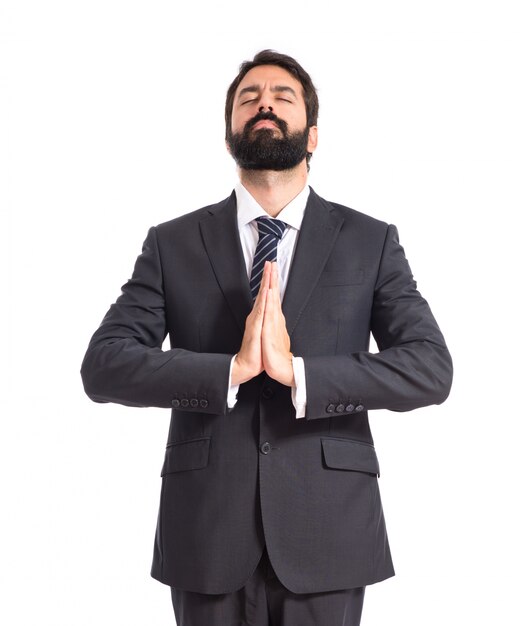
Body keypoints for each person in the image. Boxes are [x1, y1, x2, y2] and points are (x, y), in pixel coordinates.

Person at [81, 49, 453, 626]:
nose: (265, 106)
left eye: (283, 97)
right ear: (229, 133)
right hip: (206, 530)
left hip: (328, 529)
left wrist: (298, 373)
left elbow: (430, 368)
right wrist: (226, 371)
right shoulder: (172, 242)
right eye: (248, 99)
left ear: (312, 135)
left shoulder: (370, 240)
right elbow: (103, 365)